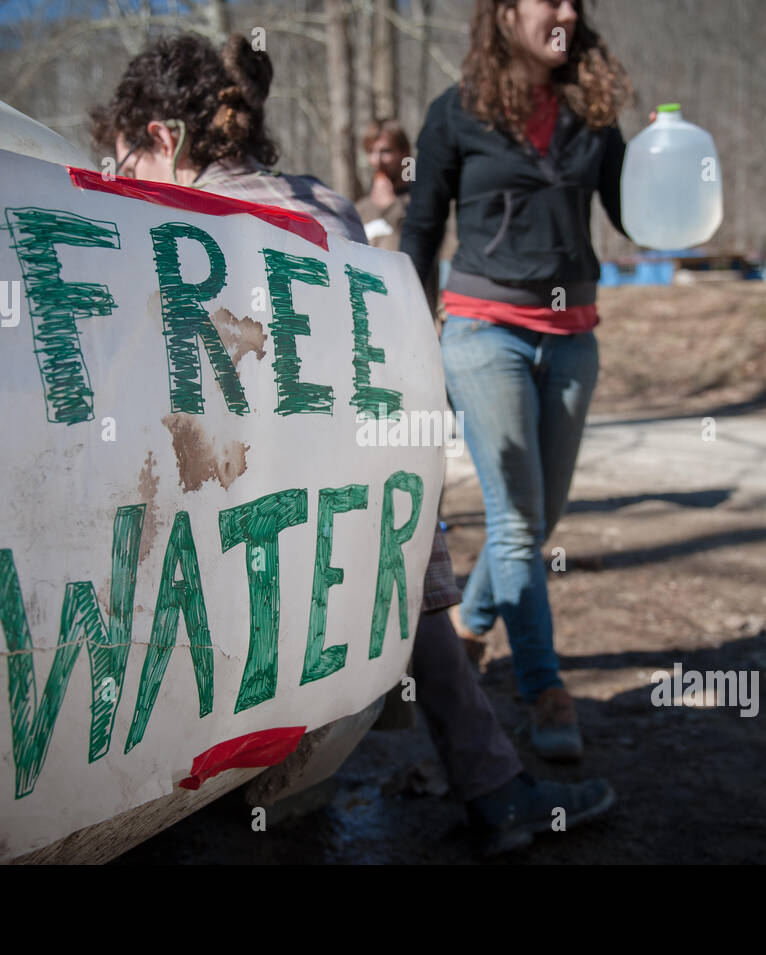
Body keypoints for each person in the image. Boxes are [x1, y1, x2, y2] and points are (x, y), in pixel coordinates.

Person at [90, 31, 615, 854]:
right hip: (361, 522)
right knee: (392, 560)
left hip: (244, 524)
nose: (122, 184)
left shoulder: (169, 226)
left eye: (126, 163)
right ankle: (490, 788)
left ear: (163, 139)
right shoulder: (324, 206)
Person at [400, 0, 634, 760]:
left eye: (574, 0)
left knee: (542, 516)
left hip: (573, 339)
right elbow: (423, 231)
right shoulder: (456, 113)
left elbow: (637, 217)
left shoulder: (591, 116)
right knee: (518, 522)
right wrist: (407, 341)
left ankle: (468, 626)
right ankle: (544, 689)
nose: (565, 10)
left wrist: (676, 165)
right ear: (504, 15)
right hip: (482, 330)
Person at [354, 119, 413, 251]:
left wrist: (391, 206)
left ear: (404, 152)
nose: (377, 161)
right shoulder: (361, 209)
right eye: (371, 152)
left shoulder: (418, 202)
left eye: (386, 151)